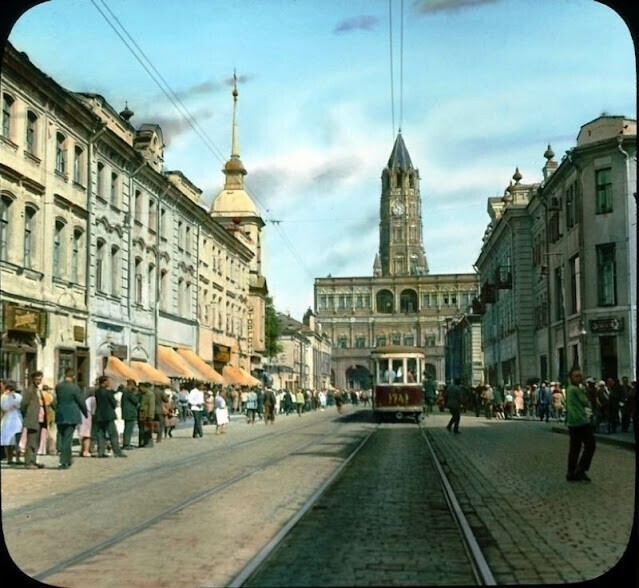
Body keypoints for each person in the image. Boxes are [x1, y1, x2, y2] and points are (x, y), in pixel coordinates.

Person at [565, 368, 595, 482]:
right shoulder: (576, 389)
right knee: (591, 445)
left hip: (572, 422)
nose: (579, 378)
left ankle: (571, 473)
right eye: (576, 376)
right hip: (581, 422)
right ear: (571, 378)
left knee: (574, 449)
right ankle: (580, 470)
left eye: (580, 376)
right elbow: (585, 402)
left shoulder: (569, 389)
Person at [55, 368, 88, 469]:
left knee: (61, 436)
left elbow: (56, 400)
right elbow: (81, 401)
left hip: (60, 414)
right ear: (73, 376)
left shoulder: (58, 386)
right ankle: (63, 461)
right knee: (67, 439)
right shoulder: (75, 388)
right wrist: (85, 413)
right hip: (71, 415)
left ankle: (67, 459)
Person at [94, 375, 127, 458]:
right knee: (113, 434)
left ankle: (101, 452)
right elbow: (114, 403)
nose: (109, 383)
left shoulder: (97, 392)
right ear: (104, 382)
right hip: (108, 415)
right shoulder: (108, 392)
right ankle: (117, 451)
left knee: (101, 434)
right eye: (108, 381)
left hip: (99, 415)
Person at [20, 371, 46, 469]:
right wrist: (27, 416)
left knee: (36, 441)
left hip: (40, 418)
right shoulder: (29, 390)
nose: (38, 381)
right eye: (37, 379)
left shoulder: (38, 390)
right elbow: (23, 405)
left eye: (40, 379)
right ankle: (28, 462)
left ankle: (34, 460)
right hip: (33, 418)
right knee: (31, 440)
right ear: (33, 379)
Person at [1, 380, 23, 465]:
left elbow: (3, 407)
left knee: (8, 440)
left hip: (7, 418)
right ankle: (17, 458)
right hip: (16, 418)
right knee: (17, 439)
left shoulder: (3, 397)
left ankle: (9, 458)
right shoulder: (18, 396)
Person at [120, 379, 139, 450]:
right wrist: (135, 392)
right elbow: (135, 400)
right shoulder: (128, 392)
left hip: (126, 412)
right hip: (130, 412)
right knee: (129, 429)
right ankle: (126, 443)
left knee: (127, 428)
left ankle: (126, 442)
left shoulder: (124, 391)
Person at [137, 383, 155, 448]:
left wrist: (150, 415)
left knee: (148, 429)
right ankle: (142, 442)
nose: (139, 389)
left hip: (147, 414)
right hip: (141, 413)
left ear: (144, 387)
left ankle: (149, 443)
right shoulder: (141, 394)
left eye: (140, 387)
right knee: (142, 429)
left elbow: (151, 405)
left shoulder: (150, 394)